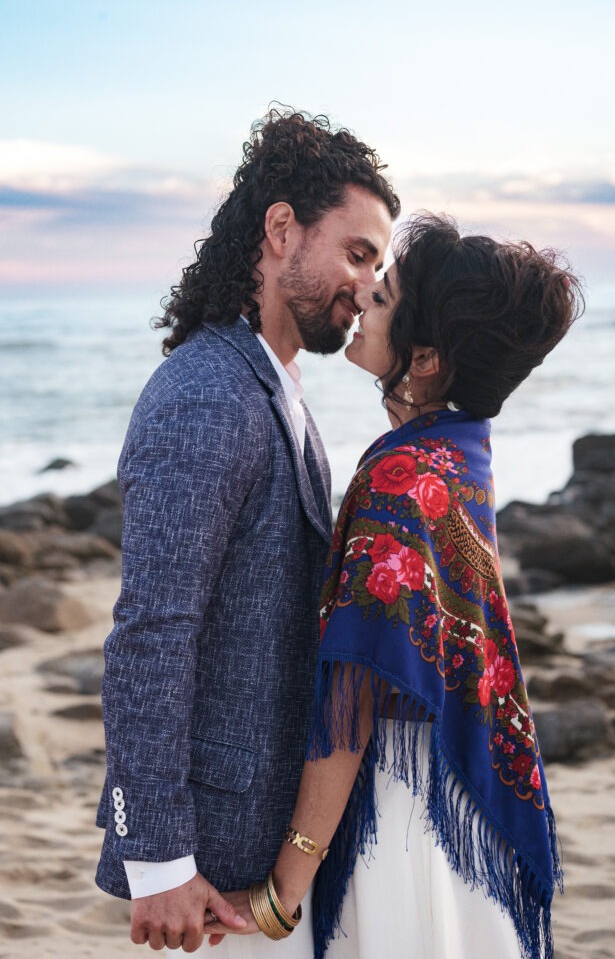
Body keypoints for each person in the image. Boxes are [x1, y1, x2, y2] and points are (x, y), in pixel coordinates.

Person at [208, 213, 584, 959]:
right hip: (441, 794)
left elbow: (354, 693)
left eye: (381, 298)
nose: (360, 296)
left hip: (391, 814)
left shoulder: (402, 479)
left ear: (425, 359)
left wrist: (284, 890)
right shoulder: (460, 450)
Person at [94, 107, 399, 954]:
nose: (367, 285)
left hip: (262, 839)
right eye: (356, 252)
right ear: (280, 230)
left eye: (378, 265)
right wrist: (157, 858)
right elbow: (151, 632)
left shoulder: (278, 388)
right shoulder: (207, 396)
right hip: (206, 865)